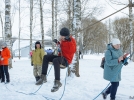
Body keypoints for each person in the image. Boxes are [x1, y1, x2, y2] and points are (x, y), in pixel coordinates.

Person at [36, 27, 76, 92]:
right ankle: (43, 77)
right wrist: (57, 42)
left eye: (62, 36)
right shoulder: (63, 41)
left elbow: (73, 50)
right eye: (61, 35)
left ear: (66, 36)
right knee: (46, 57)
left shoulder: (71, 40)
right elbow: (61, 47)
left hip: (66, 60)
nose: (61, 37)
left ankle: (57, 82)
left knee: (55, 60)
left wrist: (69, 41)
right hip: (60, 57)